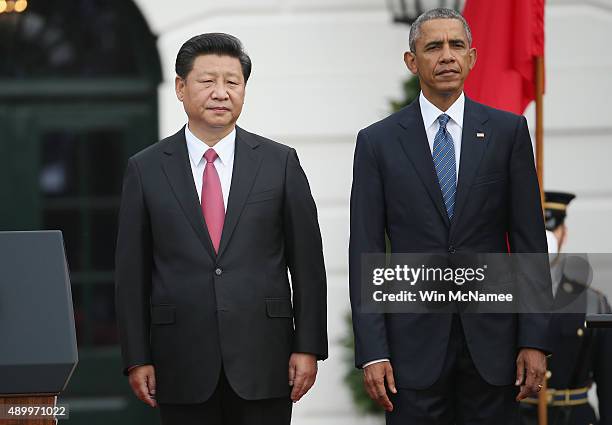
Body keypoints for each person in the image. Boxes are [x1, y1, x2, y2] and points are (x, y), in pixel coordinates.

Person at [349, 8, 552, 425]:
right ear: (412, 61)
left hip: (494, 348)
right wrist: (373, 350)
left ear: (472, 57)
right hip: (411, 352)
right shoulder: (377, 142)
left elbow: (529, 242)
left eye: (456, 45)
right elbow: (365, 251)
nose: (446, 56)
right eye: (433, 47)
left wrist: (534, 339)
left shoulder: (508, 132)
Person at [115, 33, 328, 425]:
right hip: (179, 361)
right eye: (207, 81)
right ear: (181, 87)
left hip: (266, 359)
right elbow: (131, 274)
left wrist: (308, 346)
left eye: (232, 82)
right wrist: (136, 357)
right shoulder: (145, 169)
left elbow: (308, 264)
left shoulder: (279, 163)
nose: (221, 92)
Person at [519, 192, 612, 425]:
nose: (546, 239)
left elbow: (608, 379)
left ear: (564, 234)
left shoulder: (592, 301)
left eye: (552, 230)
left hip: (573, 417)